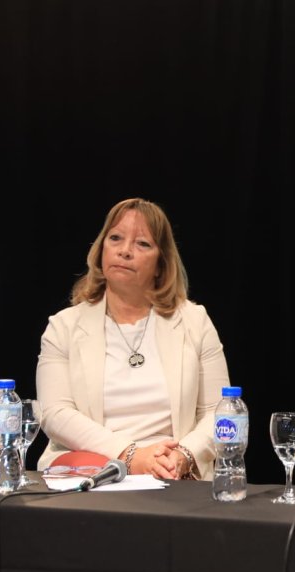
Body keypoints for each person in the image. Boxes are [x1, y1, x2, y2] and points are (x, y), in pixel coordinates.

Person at [36, 198, 230, 480]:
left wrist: (183, 456)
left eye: (142, 244)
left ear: (161, 264)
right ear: (101, 249)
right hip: (93, 472)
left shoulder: (194, 321)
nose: (125, 251)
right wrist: (130, 455)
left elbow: (220, 412)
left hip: (174, 476)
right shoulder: (63, 326)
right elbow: (55, 413)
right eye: (115, 238)